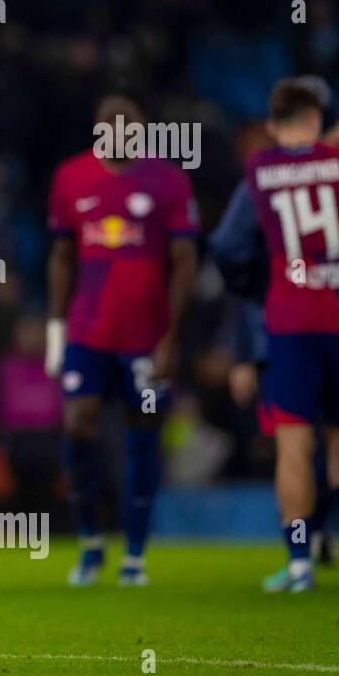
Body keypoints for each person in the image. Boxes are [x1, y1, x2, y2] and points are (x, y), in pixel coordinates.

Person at [45, 93, 199, 586]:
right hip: (88, 332)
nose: (118, 133)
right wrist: (54, 330)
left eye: (128, 124)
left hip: (145, 338)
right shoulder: (71, 177)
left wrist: (172, 337)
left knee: (143, 433)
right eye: (107, 125)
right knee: (77, 423)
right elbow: (62, 256)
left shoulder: (169, 181)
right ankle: (91, 542)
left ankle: (135, 551)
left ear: (144, 129)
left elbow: (184, 262)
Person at [235, 79, 339, 591]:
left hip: (289, 322)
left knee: (293, 446)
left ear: (270, 124)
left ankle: (299, 562)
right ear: (318, 117)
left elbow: (236, 245)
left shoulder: (260, 170)